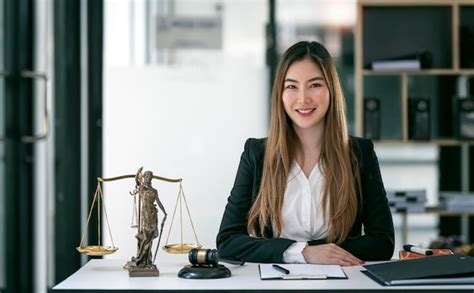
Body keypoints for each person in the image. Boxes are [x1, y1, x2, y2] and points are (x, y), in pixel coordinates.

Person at [216, 41, 394, 265]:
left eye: (314, 85)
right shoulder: (256, 154)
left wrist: (320, 252)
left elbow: (382, 242)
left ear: (331, 90)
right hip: (273, 283)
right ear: (280, 94)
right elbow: (228, 241)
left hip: (344, 283)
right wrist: (302, 253)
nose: (303, 98)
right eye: (291, 86)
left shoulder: (359, 153)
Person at [133, 169, 167, 267]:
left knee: (150, 238)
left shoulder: (154, 191)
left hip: (153, 215)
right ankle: (140, 257)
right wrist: (138, 173)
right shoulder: (142, 188)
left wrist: (165, 212)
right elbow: (137, 181)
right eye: (146, 177)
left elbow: (159, 202)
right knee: (146, 237)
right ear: (144, 177)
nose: (148, 178)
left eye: (150, 177)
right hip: (146, 215)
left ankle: (147, 260)